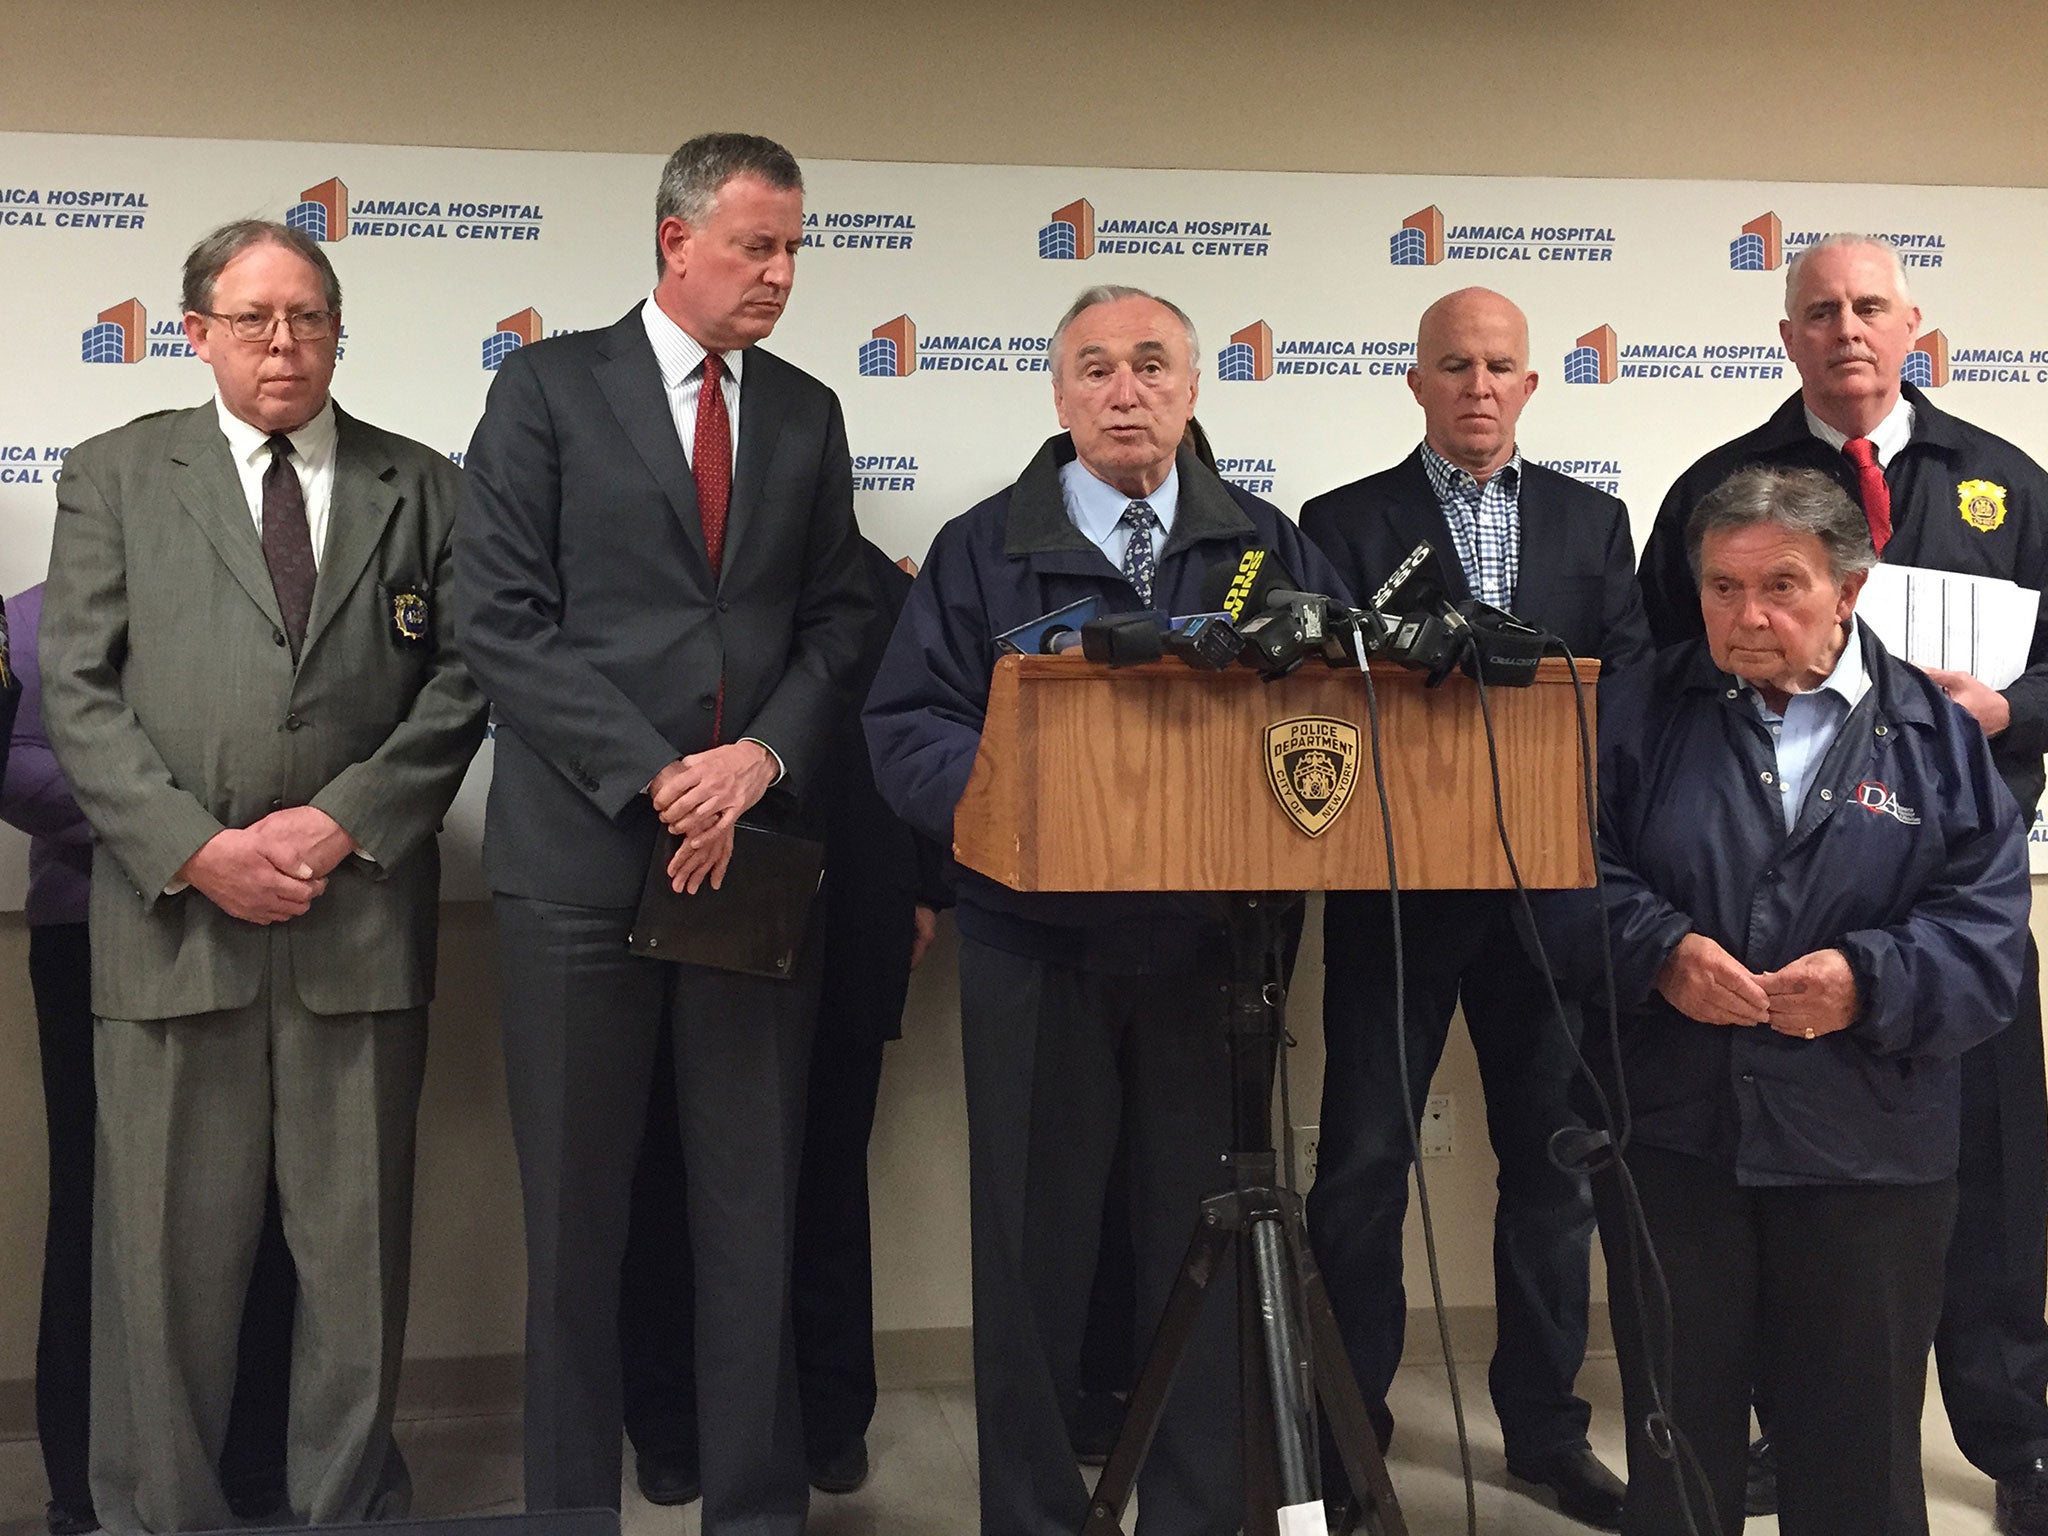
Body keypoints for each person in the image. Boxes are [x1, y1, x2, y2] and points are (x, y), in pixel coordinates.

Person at [866, 283, 1349, 1536]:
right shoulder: (981, 551)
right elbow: (907, 728)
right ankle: (1029, 1513)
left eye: (1150, 365)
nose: (1123, 390)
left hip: (1212, 953)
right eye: (1095, 369)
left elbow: (1340, 720)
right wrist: (1004, 814)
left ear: (1193, 390)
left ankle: (1196, 1507)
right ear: (1058, 393)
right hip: (1034, 949)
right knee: (1029, 1254)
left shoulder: (1274, 551)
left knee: (1195, 1243)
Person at [37, 219, 486, 1533]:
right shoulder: (117, 475)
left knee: (355, 1272)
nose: (282, 344)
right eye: (253, 319)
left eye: (307, 318)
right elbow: (75, 689)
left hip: (357, 925)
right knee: (164, 1276)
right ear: (199, 334)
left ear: (339, 331)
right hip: (176, 933)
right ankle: (161, 1517)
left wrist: (344, 821)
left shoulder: (424, 486)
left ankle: (343, 1505)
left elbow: (464, 681)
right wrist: (198, 850)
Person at [451, 131, 869, 1534]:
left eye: (795, 247)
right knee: (579, 1225)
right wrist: (655, 776)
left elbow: (841, 617)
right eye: (757, 245)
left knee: (751, 1214)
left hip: (749, 856)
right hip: (578, 860)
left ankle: (755, 1509)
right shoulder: (547, 390)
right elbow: (498, 620)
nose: (782, 273)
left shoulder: (806, 414)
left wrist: (756, 759)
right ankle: (571, 1509)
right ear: (674, 240)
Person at [1636, 233, 2048, 1535]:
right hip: (1722, 1006)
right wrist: (1661, 938)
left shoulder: (2006, 483)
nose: (1848, 329)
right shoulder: (1719, 489)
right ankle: (1775, 1438)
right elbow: (1653, 707)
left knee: (1976, 1208)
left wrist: (2008, 709)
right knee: (1724, 1315)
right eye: (1821, 310)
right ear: (1789, 336)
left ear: (1913, 322)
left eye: (1871, 305)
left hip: (1922, 966)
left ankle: (2017, 1442)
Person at [1575, 463, 2028, 1535]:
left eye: (1779, 586)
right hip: (1679, 1138)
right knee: (1674, 1458)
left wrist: (1865, 979)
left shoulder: (1939, 734)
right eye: (1722, 589)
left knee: (1858, 1458)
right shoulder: (1635, 712)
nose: (1747, 616)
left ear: (1849, 589)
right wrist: (1658, 950)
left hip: (1867, 1150)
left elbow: (1986, 937)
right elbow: (1562, 878)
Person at [1298, 286, 1648, 1529]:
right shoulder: (1340, 522)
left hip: (1551, 894)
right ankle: (1352, 1439)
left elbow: (1631, 693)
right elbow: (1315, 700)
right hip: (1395, 891)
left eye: (1500, 365)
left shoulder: (1592, 521)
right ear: (1414, 383)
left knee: (1552, 1169)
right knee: (1359, 1168)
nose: (1478, 386)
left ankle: (1545, 1433)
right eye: (1454, 365)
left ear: (1531, 385)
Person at [617, 537, 950, 1506]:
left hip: (851, 912)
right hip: (702, 901)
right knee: (670, 1168)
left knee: (827, 1173)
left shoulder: (884, 589)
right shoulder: (679, 581)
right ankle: (669, 1418)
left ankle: (831, 1414)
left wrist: (921, 892)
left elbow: (919, 736)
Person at [4, 582, 300, 1536]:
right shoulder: (36, 614)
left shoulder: (260, 602)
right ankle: (83, 1490)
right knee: (98, 1207)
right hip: (89, 929)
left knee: (262, 1199)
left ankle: (256, 1469)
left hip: (259, 932)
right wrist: (180, 834)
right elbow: (10, 764)